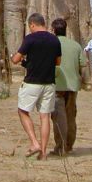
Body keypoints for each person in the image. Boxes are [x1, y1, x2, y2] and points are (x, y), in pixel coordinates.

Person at [11, 12, 62, 161]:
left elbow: (16, 59)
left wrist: (18, 58)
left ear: (32, 24)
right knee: (44, 116)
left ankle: (34, 143)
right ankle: (44, 153)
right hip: (49, 83)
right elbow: (58, 62)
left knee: (22, 111)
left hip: (32, 82)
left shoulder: (30, 38)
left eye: (30, 26)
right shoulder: (54, 40)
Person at [50, 18, 85, 155]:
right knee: (71, 115)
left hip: (57, 85)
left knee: (59, 117)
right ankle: (69, 145)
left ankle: (61, 147)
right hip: (73, 86)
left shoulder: (51, 44)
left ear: (53, 30)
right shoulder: (75, 45)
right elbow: (83, 63)